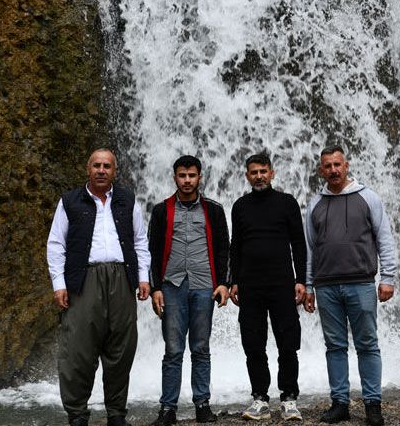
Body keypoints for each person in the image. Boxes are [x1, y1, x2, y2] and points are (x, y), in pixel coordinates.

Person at [46, 148, 151, 426]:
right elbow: (56, 244)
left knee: (121, 349)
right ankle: (77, 414)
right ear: (87, 168)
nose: (101, 170)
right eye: (96, 165)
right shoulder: (69, 201)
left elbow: (140, 241)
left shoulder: (128, 200)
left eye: (107, 166)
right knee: (77, 349)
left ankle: (116, 414)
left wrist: (143, 278)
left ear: (115, 170)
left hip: (121, 278)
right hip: (84, 280)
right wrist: (59, 284)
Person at [303, 146, 397, 426]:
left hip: (361, 283)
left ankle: (373, 405)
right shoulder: (314, 204)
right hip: (326, 286)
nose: (333, 170)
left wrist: (388, 278)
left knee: (368, 344)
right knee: (334, 346)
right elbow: (309, 248)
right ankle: (340, 402)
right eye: (327, 166)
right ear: (321, 170)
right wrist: (308, 286)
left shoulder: (368, 198)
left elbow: (385, 238)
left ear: (346, 166)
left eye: (337, 165)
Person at [147, 155, 230, 425]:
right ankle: (168, 408)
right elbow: (153, 250)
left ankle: (202, 404)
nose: (187, 180)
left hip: (205, 285)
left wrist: (224, 284)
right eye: (182, 176)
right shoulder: (161, 211)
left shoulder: (213, 210)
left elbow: (223, 250)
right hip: (172, 287)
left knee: (201, 347)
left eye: (191, 175)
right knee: (172, 349)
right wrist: (155, 288)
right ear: (175, 177)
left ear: (199, 177)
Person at [229, 153, 307, 421]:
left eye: (263, 171)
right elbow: (235, 246)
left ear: (272, 173)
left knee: (288, 342)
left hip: (282, 284)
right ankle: (260, 398)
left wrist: (301, 280)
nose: (259, 176)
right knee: (253, 342)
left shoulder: (287, 203)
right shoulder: (240, 206)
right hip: (250, 285)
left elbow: (298, 243)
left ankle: (289, 398)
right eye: (254, 172)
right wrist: (233, 281)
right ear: (247, 175)